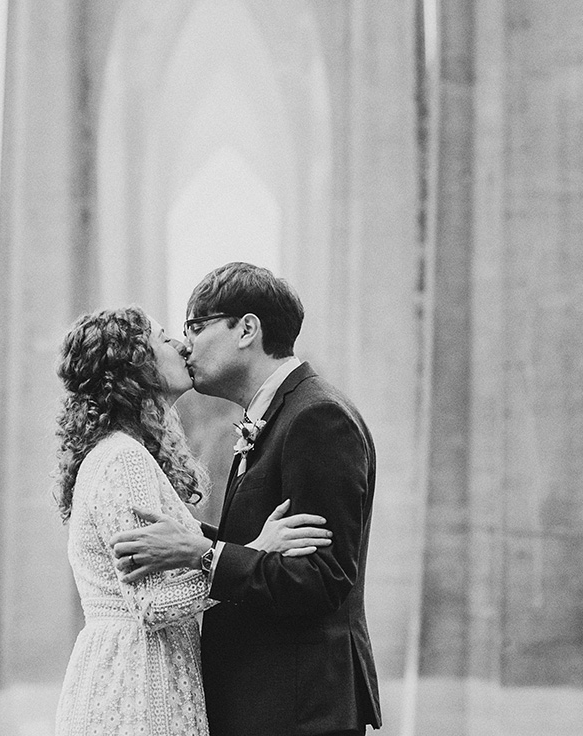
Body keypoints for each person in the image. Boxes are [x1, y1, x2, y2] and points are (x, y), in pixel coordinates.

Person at [112, 264, 382, 736]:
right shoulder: (274, 417)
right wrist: (191, 538)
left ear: (247, 329)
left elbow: (321, 578)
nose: (185, 344)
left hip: (298, 711)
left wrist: (203, 555)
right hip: (268, 704)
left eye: (195, 326)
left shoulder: (317, 419)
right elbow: (257, 544)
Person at [52, 306, 333, 736]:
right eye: (165, 339)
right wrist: (255, 551)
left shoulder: (118, 453)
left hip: (139, 673)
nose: (182, 344)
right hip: (136, 687)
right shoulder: (123, 459)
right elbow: (152, 605)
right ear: (135, 365)